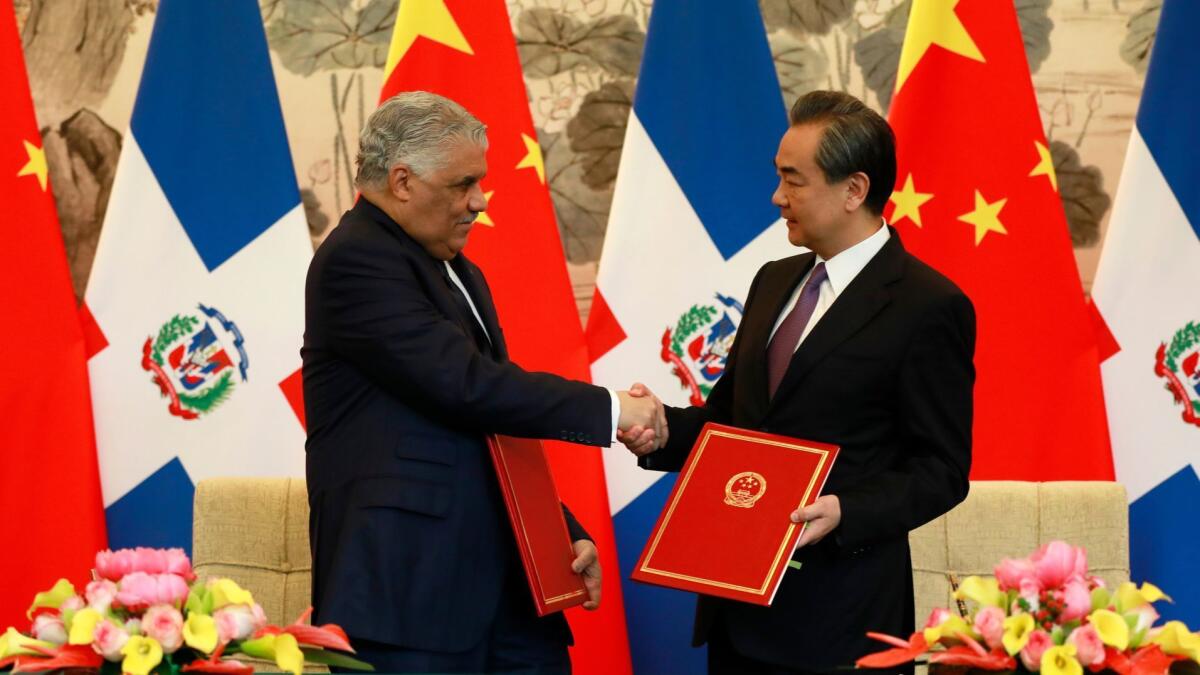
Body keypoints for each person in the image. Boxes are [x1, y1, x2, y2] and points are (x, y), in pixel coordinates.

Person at [303, 91, 662, 674]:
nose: (480, 200)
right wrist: (613, 410)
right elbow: (466, 385)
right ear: (402, 181)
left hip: (510, 592)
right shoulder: (357, 260)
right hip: (410, 594)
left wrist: (559, 530)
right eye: (463, 183)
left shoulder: (456, 267)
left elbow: (488, 418)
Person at [620, 90, 976, 674]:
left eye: (794, 180)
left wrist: (844, 511)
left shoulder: (928, 305)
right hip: (736, 608)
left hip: (840, 618)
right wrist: (659, 430)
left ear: (853, 190)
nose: (777, 197)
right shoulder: (773, 280)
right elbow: (732, 425)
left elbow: (940, 472)